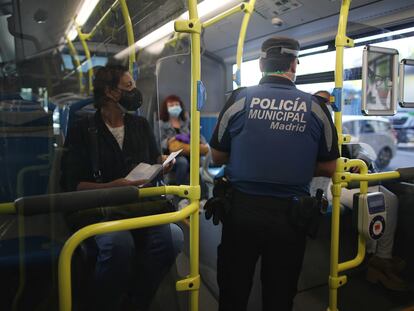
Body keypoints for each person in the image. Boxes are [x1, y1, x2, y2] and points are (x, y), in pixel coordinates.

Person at [208, 36, 340, 310]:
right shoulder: (316, 107)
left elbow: (218, 155)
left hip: (241, 211)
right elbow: (329, 167)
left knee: (233, 290)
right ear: (294, 64)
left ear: (260, 64)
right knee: (279, 295)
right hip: (290, 218)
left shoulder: (239, 99)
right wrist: (297, 163)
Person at [60, 65, 177, 311]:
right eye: (129, 86)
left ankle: (136, 300)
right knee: (119, 244)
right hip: (104, 207)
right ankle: (104, 303)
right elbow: (74, 185)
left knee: (172, 239)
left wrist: (164, 164)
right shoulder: (83, 129)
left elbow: (155, 157)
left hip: (139, 207)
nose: (134, 92)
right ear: (111, 93)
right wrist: (113, 186)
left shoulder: (139, 125)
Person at [311, 90, 407, 291]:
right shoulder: (310, 131)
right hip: (325, 184)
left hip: (350, 181)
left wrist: (361, 160)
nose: (327, 111)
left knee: (389, 198)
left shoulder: (338, 131)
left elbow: (363, 149)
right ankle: (375, 258)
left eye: (329, 107)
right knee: (372, 201)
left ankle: (381, 257)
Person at [158, 94, 209, 186]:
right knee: (182, 162)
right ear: (166, 108)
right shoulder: (161, 124)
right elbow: (159, 143)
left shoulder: (186, 121)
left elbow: (198, 136)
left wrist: (197, 139)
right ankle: (180, 193)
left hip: (188, 151)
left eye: (177, 104)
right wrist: (173, 139)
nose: (175, 107)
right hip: (171, 155)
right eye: (171, 105)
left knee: (196, 161)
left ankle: (202, 194)